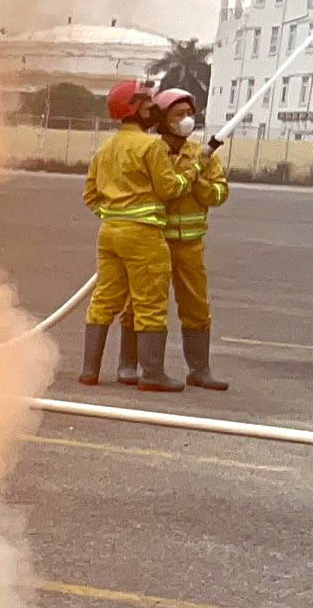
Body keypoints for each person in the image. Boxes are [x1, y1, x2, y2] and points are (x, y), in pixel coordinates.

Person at [115, 88, 230, 390]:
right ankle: (129, 364)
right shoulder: (150, 151)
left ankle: (199, 370)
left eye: (189, 114)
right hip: (153, 242)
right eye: (178, 115)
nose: (187, 120)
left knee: (196, 306)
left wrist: (198, 179)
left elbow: (219, 194)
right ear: (163, 120)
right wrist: (182, 177)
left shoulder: (201, 155)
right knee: (140, 304)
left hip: (190, 244)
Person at [79, 78, 188, 390]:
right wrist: (189, 176)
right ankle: (152, 375)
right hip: (143, 236)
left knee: (104, 300)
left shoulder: (105, 149)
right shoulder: (152, 146)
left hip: (109, 233)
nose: (153, 108)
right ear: (136, 109)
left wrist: (114, 215)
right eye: (148, 104)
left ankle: (90, 371)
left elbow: (90, 194)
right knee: (150, 301)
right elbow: (168, 189)